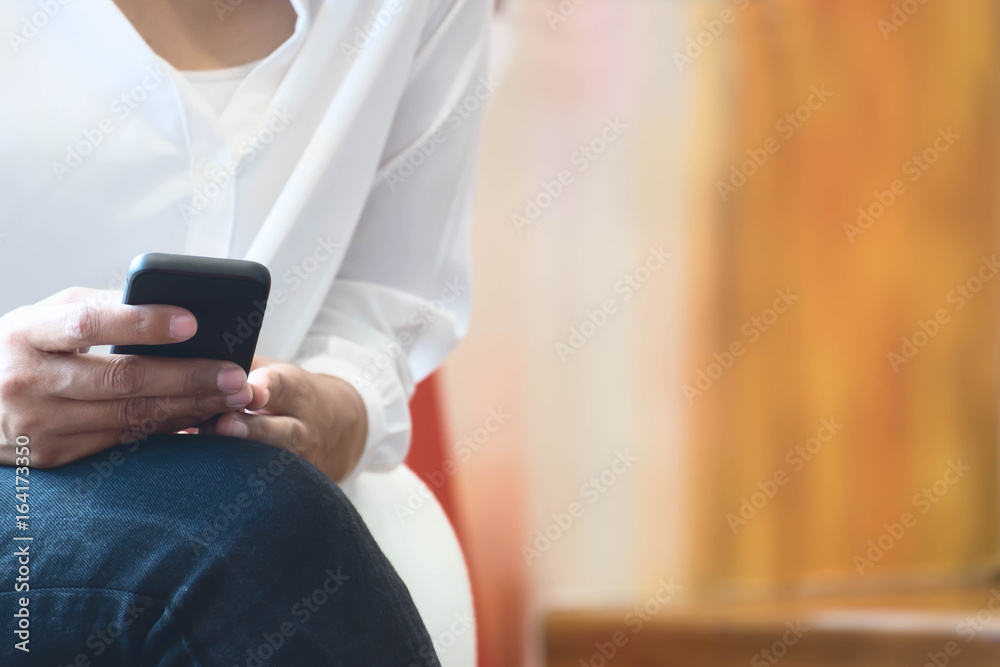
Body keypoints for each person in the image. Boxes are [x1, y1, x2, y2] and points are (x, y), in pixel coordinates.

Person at [0, 0, 490, 662]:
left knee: (248, 519)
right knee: (239, 536)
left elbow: (383, 305)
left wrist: (333, 415)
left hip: (250, 481)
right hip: (30, 487)